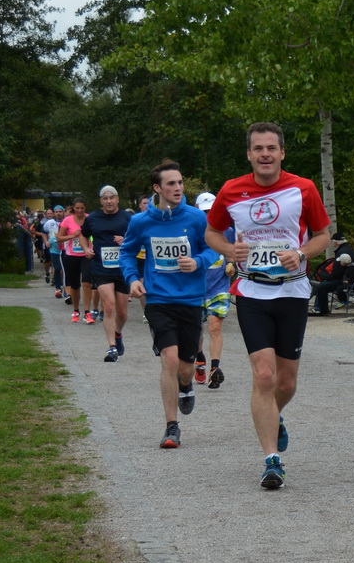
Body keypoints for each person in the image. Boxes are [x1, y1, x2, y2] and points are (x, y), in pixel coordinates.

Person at [205, 122, 333, 489]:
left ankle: (273, 415)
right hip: (252, 292)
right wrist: (228, 250)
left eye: (271, 148)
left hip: (292, 291)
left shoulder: (303, 188)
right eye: (258, 148)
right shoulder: (231, 191)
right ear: (249, 154)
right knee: (264, 375)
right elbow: (211, 232)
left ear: (281, 153)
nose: (265, 154)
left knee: (287, 382)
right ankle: (271, 461)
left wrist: (301, 252)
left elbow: (324, 235)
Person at [119, 161, 221, 449]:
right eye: (171, 184)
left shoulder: (195, 218)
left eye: (180, 183)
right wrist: (132, 279)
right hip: (158, 299)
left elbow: (213, 246)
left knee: (186, 368)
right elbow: (127, 254)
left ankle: (186, 386)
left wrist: (198, 261)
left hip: (189, 299)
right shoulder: (141, 221)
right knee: (170, 359)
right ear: (157, 188)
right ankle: (171, 427)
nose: (178, 188)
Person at [81, 185, 136, 361]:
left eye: (112, 197)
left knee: (122, 313)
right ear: (101, 201)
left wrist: (125, 240)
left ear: (118, 199)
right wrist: (86, 249)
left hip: (123, 268)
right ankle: (111, 347)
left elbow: (138, 240)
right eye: (105, 198)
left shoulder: (128, 218)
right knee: (109, 306)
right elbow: (82, 235)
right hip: (101, 267)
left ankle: (118, 334)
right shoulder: (93, 218)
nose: (109, 201)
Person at [193, 191, 233, 388]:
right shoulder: (192, 232)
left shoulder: (229, 231)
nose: (209, 215)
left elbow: (236, 252)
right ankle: (200, 360)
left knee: (215, 326)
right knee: (196, 330)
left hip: (219, 286)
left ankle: (215, 368)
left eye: (211, 210)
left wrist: (233, 263)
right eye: (205, 211)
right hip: (195, 288)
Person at [57, 199, 91, 322]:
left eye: (82, 208)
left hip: (86, 255)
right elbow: (59, 238)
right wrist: (73, 235)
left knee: (87, 283)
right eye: (77, 208)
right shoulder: (67, 220)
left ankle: (87, 312)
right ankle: (76, 311)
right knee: (75, 285)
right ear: (73, 208)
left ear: (85, 208)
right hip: (71, 255)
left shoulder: (89, 219)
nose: (80, 211)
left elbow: (95, 234)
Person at [309, 237, 354, 315]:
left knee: (321, 287)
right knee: (322, 285)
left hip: (346, 283)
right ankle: (320, 309)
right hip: (345, 281)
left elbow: (341, 274)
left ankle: (322, 310)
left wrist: (330, 279)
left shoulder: (344, 258)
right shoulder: (347, 252)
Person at [43, 205, 65, 295]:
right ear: (54, 213)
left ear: (63, 212)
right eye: (57, 212)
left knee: (65, 269)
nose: (58, 213)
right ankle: (58, 288)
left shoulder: (66, 221)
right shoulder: (49, 222)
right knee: (57, 268)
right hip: (54, 249)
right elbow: (43, 233)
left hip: (65, 249)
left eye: (60, 211)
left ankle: (65, 286)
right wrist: (46, 241)